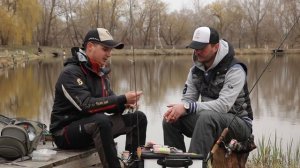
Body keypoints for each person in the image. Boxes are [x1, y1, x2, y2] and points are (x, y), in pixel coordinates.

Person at [50, 28, 147, 168]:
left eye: (110, 50)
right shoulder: (70, 73)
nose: (109, 54)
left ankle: (134, 165)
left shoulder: (100, 73)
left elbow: (111, 102)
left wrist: (124, 104)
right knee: (101, 121)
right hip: (65, 134)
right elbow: (86, 105)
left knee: (139, 118)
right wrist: (122, 99)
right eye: (105, 49)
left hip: (95, 128)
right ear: (90, 47)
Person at [162, 26, 253, 166]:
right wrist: (180, 109)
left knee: (206, 117)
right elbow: (188, 100)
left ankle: (194, 165)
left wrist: (187, 107)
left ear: (215, 47)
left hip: (239, 123)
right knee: (171, 118)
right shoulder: (195, 71)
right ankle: (177, 164)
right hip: (210, 121)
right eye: (195, 47)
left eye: (201, 48)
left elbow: (223, 106)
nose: (197, 51)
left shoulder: (235, 69)